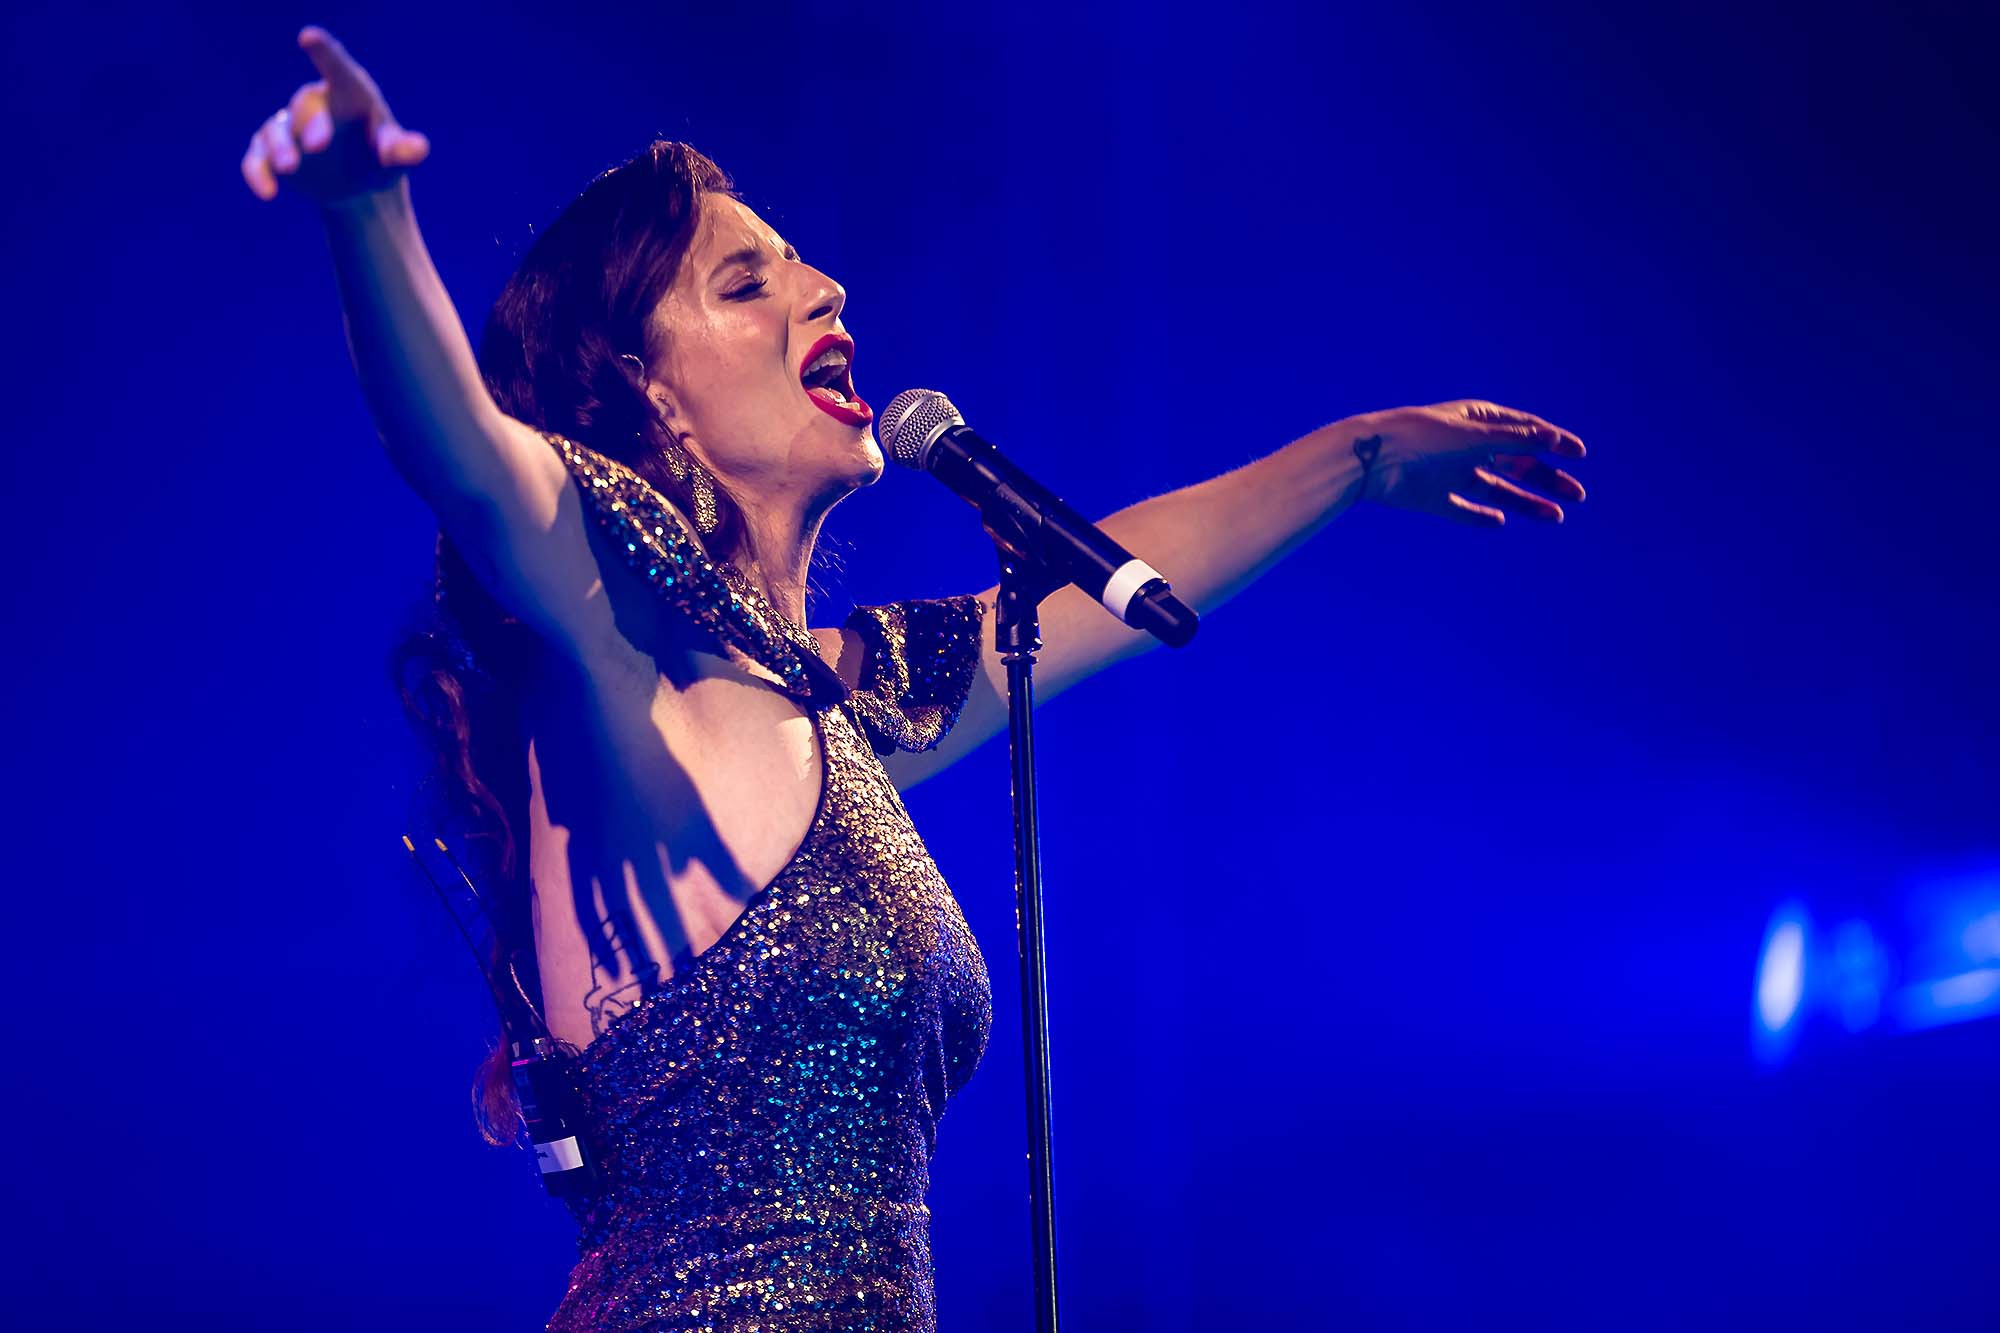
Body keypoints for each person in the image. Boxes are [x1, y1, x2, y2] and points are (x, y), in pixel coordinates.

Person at [241, 25, 1588, 1333]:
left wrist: (1356, 458)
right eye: (745, 284)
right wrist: (366, 212)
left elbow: (1085, 598)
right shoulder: (620, 667)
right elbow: (471, 458)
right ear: (649, 394)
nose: (824, 289)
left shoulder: (829, 701)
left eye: (798, 264)